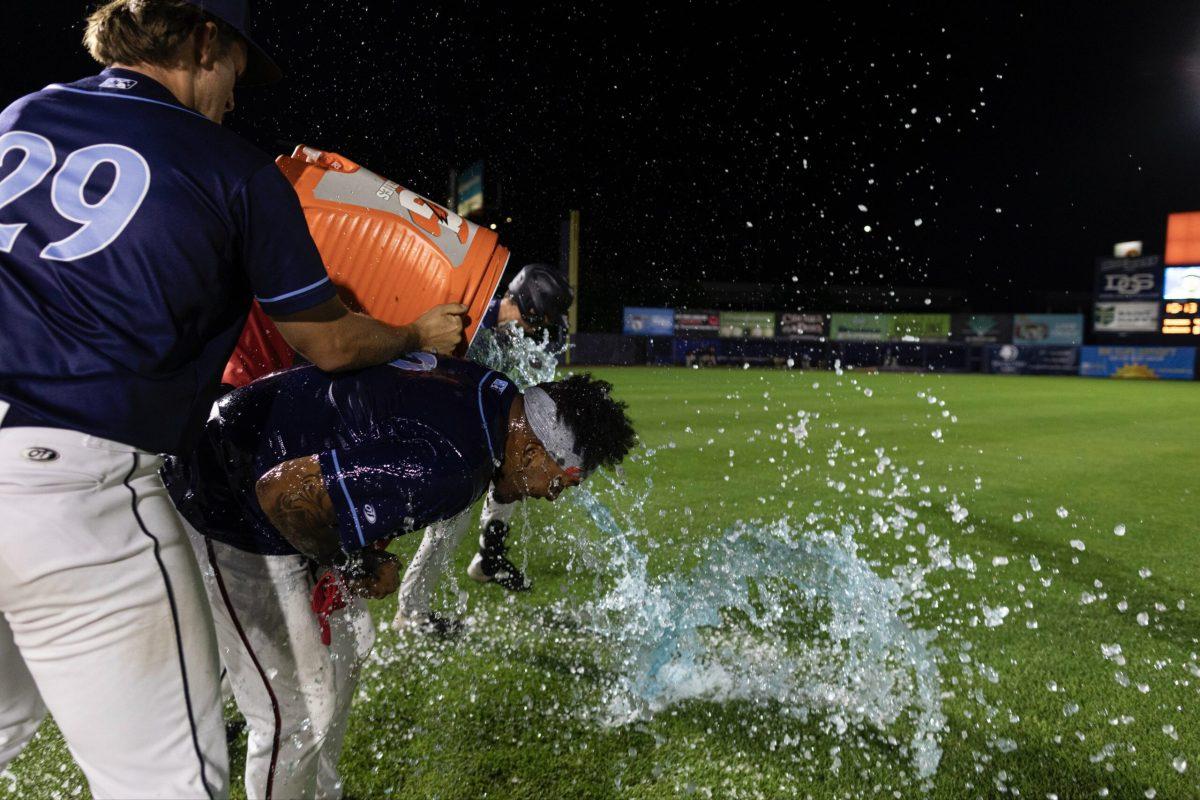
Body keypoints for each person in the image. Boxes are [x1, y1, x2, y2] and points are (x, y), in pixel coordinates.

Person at [0, 2, 463, 797]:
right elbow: (331, 343)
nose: (234, 96)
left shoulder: (24, 114)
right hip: (72, 485)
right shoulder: (231, 168)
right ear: (202, 38)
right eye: (234, 70)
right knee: (175, 784)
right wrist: (416, 329)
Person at [162, 355, 636, 799]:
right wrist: (356, 566)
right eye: (564, 479)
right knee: (297, 708)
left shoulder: (497, 392)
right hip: (226, 495)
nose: (554, 495)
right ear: (533, 449)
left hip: (264, 464)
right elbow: (283, 492)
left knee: (349, 646)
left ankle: (321, 790)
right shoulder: (451, 467)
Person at [393, 263, 576, 633]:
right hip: (445, 429)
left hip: (482, 424)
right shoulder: (470, 319)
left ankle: (489, 557)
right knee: (450, 523)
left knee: (521, 471)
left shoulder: (518, 334)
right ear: (519, 303)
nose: (533, 332)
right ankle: (410, 613)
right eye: (533, 321)